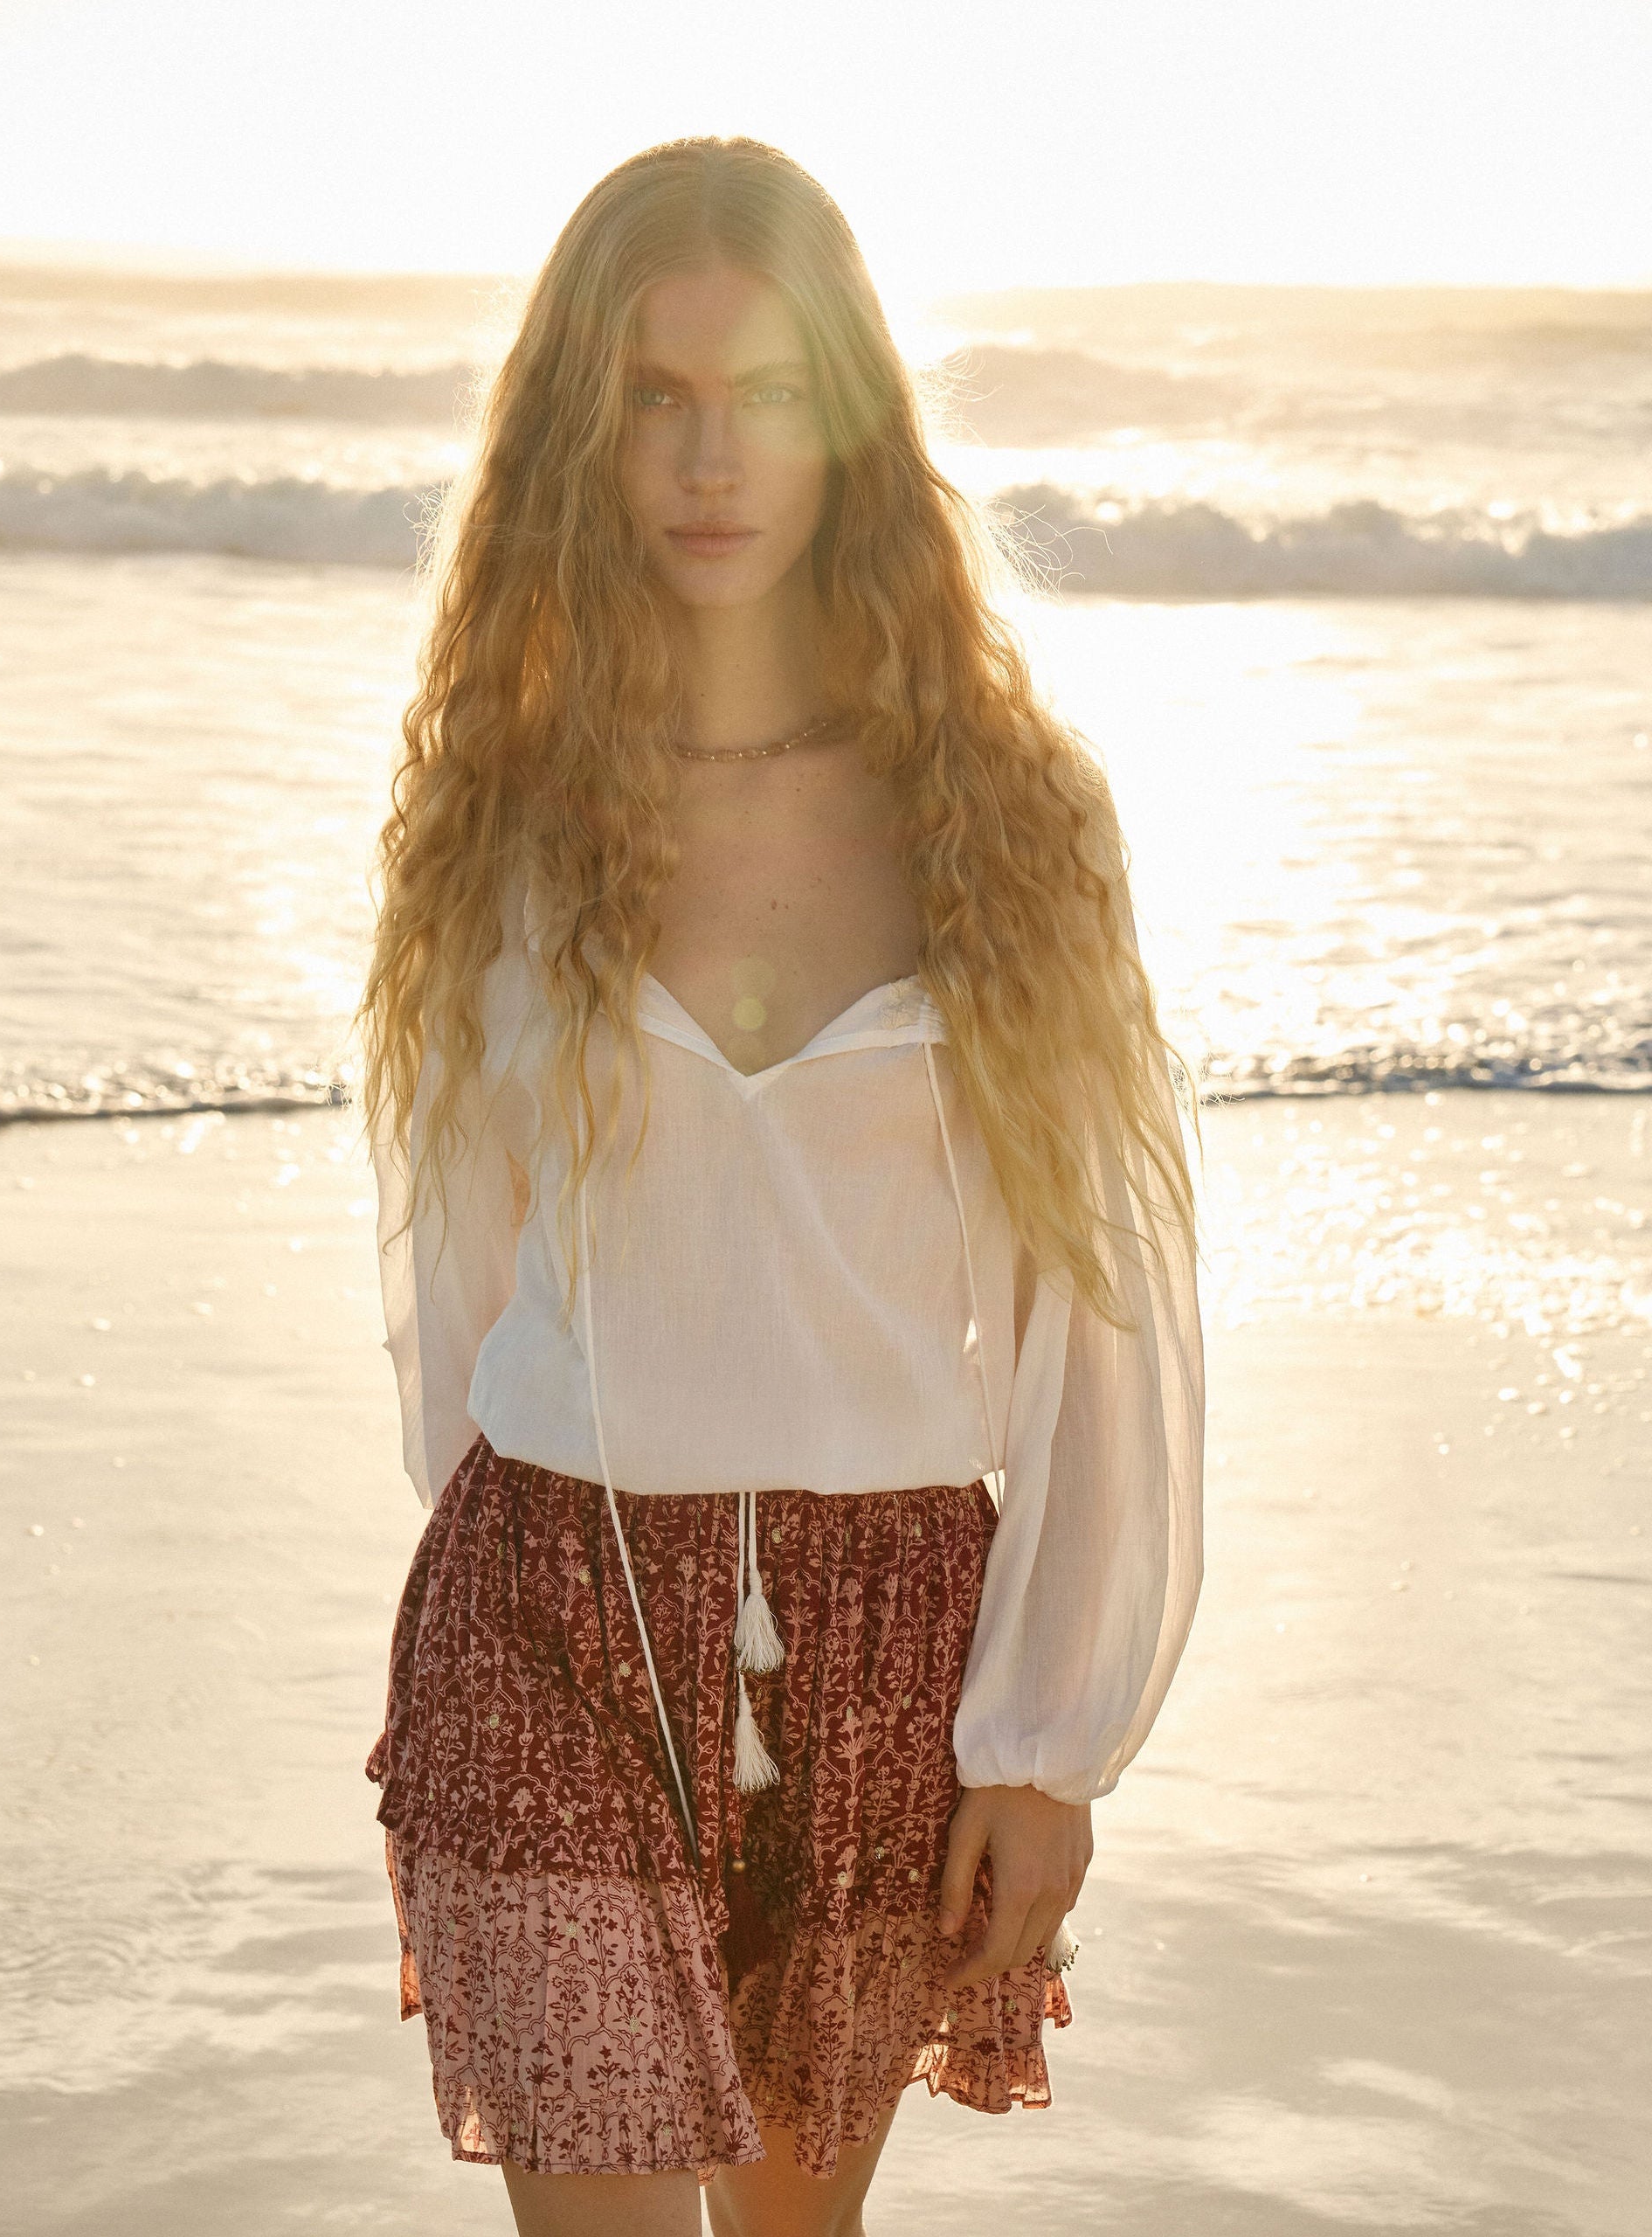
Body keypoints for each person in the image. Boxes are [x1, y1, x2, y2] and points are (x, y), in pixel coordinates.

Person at [357, 135, 1205, 2237]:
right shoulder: (505, 801)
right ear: (580, 427)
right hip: (547, 1608)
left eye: (763, 395)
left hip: (892, 1634)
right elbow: (450, 1254)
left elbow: (1108, 1307)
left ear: (855, 413)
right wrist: (549, 1506)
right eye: (652, 397)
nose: (708, 458)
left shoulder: (1005, 812)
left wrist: (1047, 1733)